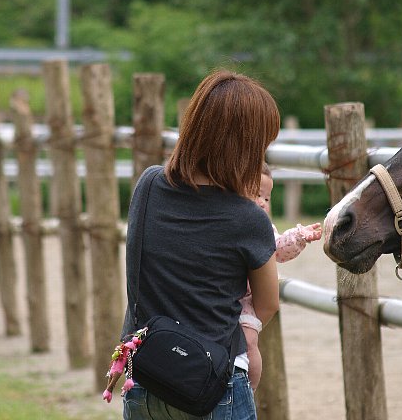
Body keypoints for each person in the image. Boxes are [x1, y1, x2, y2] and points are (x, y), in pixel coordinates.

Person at [115, 70, 281, 420]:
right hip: (212, 385)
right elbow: (268, 303)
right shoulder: (249, 218)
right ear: (245, 146)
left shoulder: (148, 186)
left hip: (145, 377)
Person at [240, 163, 322, 390]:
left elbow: (278, 247)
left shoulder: (263, 228)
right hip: (220, 297)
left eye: (267, 198)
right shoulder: (229, 216)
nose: (262, 203)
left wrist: (299, 236)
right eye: (256, 194)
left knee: (248, 341)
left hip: (245, 302)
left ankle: (248, 388)